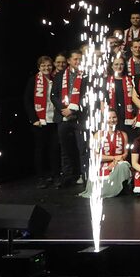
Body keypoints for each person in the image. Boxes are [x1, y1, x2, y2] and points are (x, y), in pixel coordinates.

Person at [53, 50, 86, 187]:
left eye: (80, 59)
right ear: (69, 61)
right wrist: (64, 110)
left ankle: (84, 175)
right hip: (63, 117)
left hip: (80, 117)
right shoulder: (60, 75)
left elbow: (87, 95)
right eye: (75, 59)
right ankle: (67, 176)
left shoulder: (86, 76)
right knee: (65, 149)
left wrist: (73, 109)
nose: (78, 62)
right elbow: (53, 96)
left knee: (82, 148)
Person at [81, 111, 131, 198]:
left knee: (124, 166)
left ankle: (120, 189)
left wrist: (116, 162)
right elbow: (95, 156)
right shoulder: (98, 135)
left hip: (118, 164)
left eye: (114, 117)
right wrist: (114, 158)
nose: (112, 120)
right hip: (102, 167)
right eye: (109, 118)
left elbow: (125, 153)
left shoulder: (123, 135)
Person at [27, 55, 57, 188]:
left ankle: (55, 175)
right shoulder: (33, 80)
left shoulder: (56, 79)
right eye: (43, 66)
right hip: (40, 120)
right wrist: (34, 119)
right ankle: (41, 178)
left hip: (54, 119)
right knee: (40, 150)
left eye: (49, 65)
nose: (46, 68)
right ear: (39, 67)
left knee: (54, 149)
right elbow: (27, 101)